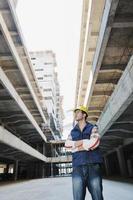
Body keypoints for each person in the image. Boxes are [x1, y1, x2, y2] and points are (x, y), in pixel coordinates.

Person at [65, 105, 104, 200]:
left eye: (78, 112)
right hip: (77, 167)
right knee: (78, 198)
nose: (75, 114)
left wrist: (76, 146)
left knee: (97, 197)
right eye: (75, 113)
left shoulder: (93, 128)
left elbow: (94, 143)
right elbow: (67, 146)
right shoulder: (72, 131)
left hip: (93, 166)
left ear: (84, 115)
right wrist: (85, 142)